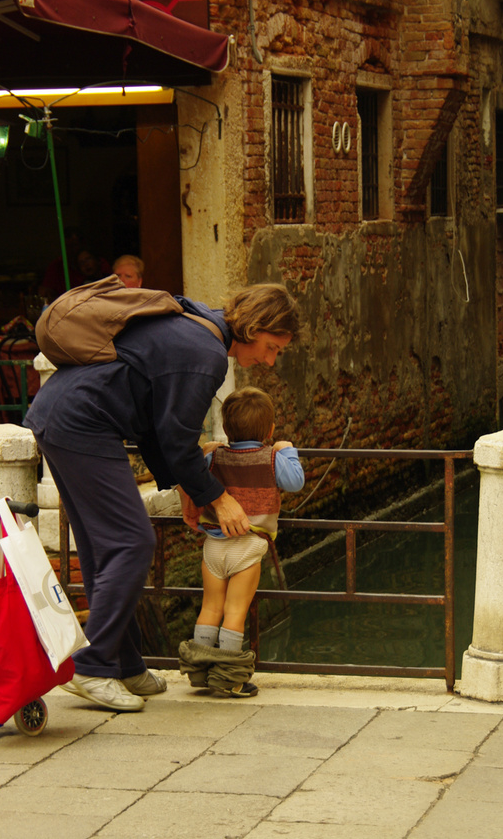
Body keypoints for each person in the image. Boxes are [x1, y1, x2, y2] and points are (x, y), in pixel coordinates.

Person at [22, 283, 300, 712]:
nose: (269, 360)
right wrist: (218, 498)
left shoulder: (195, 326)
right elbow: (175, 440)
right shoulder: (205, 354)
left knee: (103, 549)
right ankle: (92, 666)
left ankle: (123, 663)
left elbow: (158, 427)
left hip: (64, 415)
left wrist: (187, 486)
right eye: (271, 347)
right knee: (132, 542)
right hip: (83, 423)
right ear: (255, 328)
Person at [180, 386, 304, 698]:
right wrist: (286, 449)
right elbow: (295, 481)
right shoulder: (271, 457)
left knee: (210, 607)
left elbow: (195, 475)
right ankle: (230, 678)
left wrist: (208, 450)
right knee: (235, 612)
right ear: (270, 429)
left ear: (225, 428)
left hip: (214, 547)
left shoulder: (215, 456)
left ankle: (199, 671)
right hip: (248, 548)